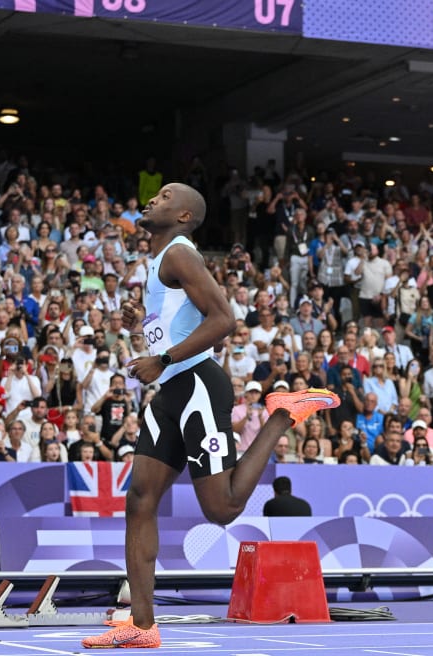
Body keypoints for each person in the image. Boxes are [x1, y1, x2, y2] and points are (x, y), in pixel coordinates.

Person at [82, 183, 339, 650]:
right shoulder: (160, 261)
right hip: (170, 392)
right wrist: (151, 340)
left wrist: (163, 358)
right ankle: (141, 625)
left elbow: (224, 320)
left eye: (164, 196)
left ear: (183, 216)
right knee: (140, 500)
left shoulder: (181, 254)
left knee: (220, 509)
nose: (152, 199)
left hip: (199, 383)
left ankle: (279, 416)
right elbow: (177, 321)